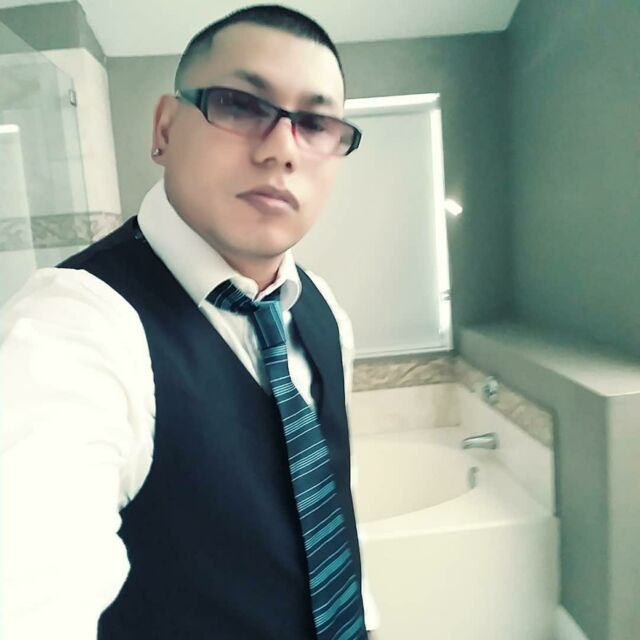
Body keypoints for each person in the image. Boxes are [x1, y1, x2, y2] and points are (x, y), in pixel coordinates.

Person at [0, 4, 381, 639]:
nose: (282, 149)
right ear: (165, 128)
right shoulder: (74, 325)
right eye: (240, 104)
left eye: (315, 123)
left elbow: (336, 512)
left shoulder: (324, 311)